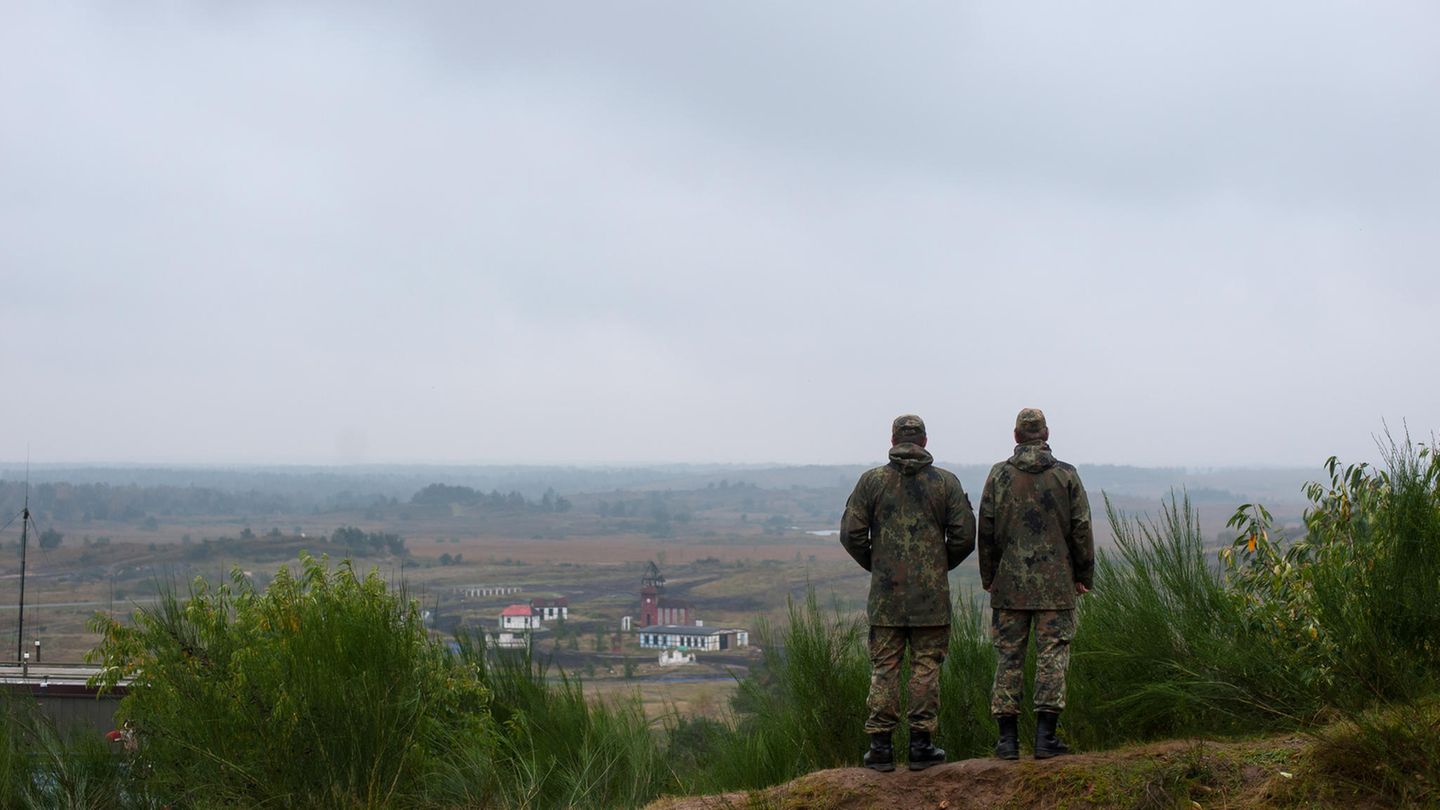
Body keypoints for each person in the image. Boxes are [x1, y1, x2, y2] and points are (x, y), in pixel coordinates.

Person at [842, 414, 976, 772]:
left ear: (893, 440)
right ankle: (921, 746)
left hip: (886, 596)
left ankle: (881, 748)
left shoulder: (872, 482)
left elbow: (851, 534)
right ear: (925, 442)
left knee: (884, 667)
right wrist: (937, 567)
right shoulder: (945, 483)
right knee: (925, 667)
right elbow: (964, 536)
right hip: (930, 598)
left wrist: (879, 567)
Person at [978, 408, 1094, 760]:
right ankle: (1046, 739)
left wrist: (990, 577)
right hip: (1056, 586)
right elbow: (1081, 529)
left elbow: (986, 530)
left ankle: (1007, 742)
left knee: (1009, 658)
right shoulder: (1066, 476)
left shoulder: (999, 476)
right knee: (1052, 658)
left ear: (1016, 436)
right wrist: (1083, 576)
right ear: (1046, 433)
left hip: (1010, 586)